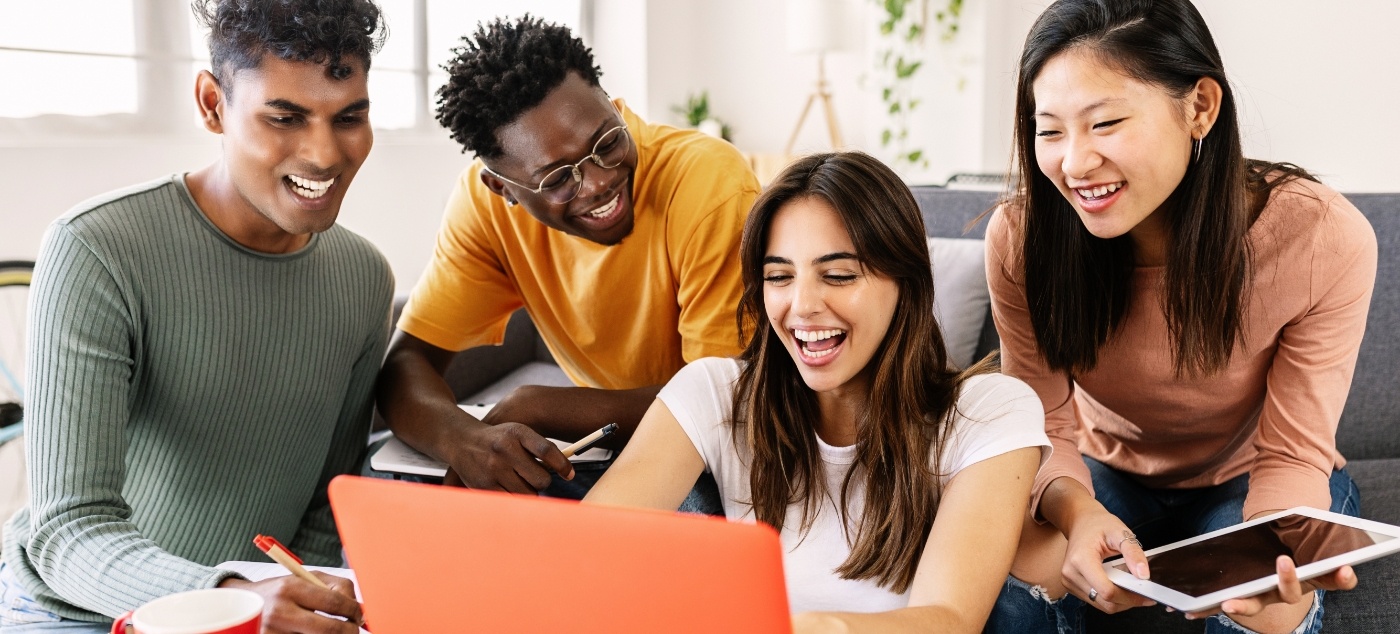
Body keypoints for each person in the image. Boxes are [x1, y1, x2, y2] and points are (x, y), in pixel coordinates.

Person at [983, 1, 1378, 633]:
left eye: (1104, 122)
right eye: (1049, 130)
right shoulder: (1022, 238)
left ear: (1199, 107)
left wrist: (1277, 567)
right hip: (1097, 473)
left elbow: (1291, 456)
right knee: (1015, 600)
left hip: (1251, 479)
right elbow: (1046, 426)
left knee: (1265, 617)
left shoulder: (1321, 238)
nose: (1073, 164)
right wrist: (1078, 514)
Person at [0, 1, 392, 631]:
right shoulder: (97, 249)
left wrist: (303, 604)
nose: (324, 153)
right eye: (285, 117)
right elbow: (66, 532)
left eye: (349, 117)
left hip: (252, 614)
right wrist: (228, 594)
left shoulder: (363, 277)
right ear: (213, 104)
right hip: (76, 610)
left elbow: (325, 503)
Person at [583, 152, 1050, 633]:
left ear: (905, 283)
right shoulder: (714, 393)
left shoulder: (988, 411)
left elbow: (949, 621)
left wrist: (815, 628)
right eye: (779, 277)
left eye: (839, 275)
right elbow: (583, 555)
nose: (801, 306)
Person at [375, 16, 760, 497]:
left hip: (718, 447)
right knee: (388, 492)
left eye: (607, 142)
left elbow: (729, 400)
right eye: (557, 179)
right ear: (501, 188)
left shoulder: (708, 185)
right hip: (607, 443)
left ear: (614, 105)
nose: (599, 181)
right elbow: (407, 362)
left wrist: (542, 405)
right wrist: (464, 441)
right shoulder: (485, 211)